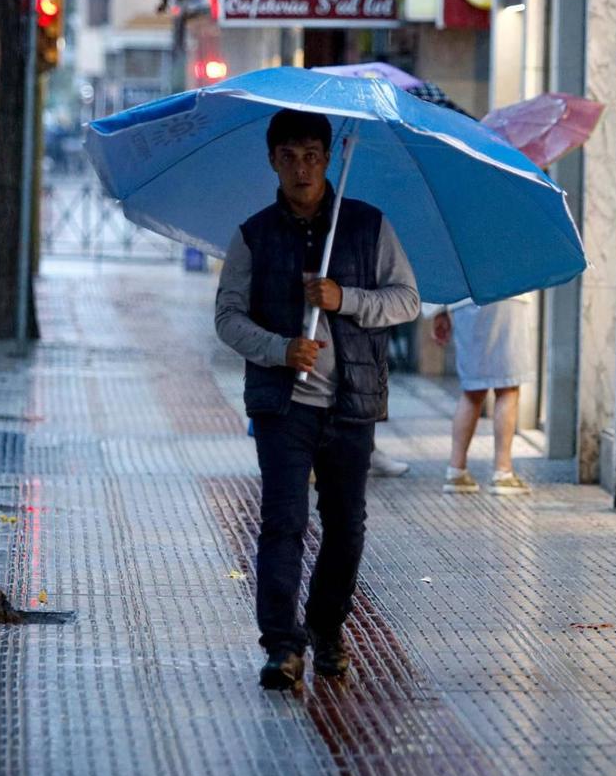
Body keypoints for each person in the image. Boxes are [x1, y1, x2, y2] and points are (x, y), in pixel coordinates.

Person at [215, 108, 419, 690]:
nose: (301, 169)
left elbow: (406, 299)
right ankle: (283, 646)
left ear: (328, 160)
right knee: (284, 522)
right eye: (289, 157)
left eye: (311, 156)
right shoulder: (254, 235)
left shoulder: (366, 226)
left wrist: (344, 298)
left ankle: (326, 626)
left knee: (346, 525)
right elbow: (227, 317)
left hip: (352, 401)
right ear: (272, 160)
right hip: (284, 406)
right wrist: (279, 349)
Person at [434, 293, 535, 495]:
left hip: (463, 301)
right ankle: (503, 472)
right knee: (508, 387)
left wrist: (438, 310)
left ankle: (456, 471)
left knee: (472, 389)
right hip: (509, 295)